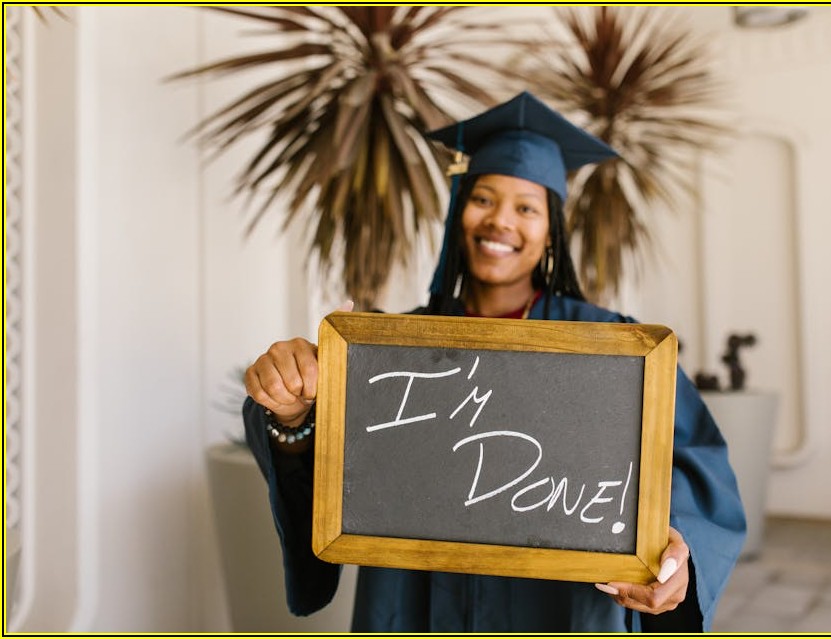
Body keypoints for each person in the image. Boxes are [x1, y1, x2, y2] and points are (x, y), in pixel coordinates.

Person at [242, 91, 746, 632]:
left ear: (551, 230)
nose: (501, 221)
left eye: (526, 208)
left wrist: (677, 552)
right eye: (483, 199)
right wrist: (293, 412)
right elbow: (337, 469)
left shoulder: (615, 346)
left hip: (563, 610)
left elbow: (697, 466)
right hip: (416, 605)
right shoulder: (392, 347)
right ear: (459, 213)